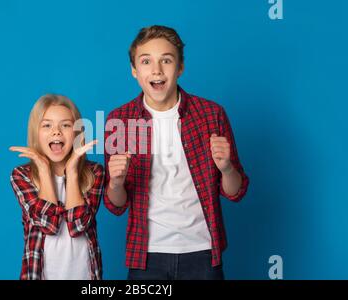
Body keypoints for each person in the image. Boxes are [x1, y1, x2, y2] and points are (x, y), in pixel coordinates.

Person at [104, 25, 249, 280]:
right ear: (134, 70)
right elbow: (116, 205)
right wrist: (115, 182)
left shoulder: (211, 114)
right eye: (146, 61)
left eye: (166, 60)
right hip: (146, 256)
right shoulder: (120, 120)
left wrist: (226, 168)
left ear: (180, 68)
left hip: (202, 253)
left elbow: (235, 191)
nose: (157, 70)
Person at [10, 94, 104, 280]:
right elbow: (49, 225)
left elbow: (78, 226)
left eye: (66, 125)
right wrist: (44, 171)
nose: (56, 132)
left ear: (76, 133)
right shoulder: (21, 175)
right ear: (36, 132)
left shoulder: (95, 172)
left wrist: (73, 171)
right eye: (47, 125)